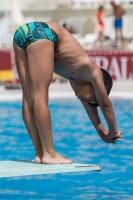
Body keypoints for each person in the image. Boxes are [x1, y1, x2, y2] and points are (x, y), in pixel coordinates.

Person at [13, 22, 123, 164]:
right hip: (42, 33)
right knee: (39, 97)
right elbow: (105, 105)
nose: (88, 101)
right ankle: (50, 154)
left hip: (22, 33)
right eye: (92, 99)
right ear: (96, 87)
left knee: (28, 98)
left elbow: (91, 110)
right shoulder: (93, 72)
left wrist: (102, 133)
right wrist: (114, 131)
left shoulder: (76, 76)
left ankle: (40, 153)